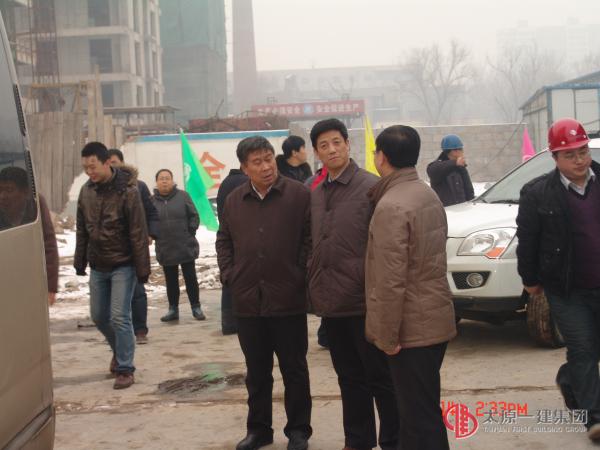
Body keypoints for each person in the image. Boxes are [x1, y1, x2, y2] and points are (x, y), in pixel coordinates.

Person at [216, 136, 312, 450]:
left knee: (294, 369)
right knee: (256, 372)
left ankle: (298, 430)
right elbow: (224, 240)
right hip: (247, 300)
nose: (266, 166)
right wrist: (230, 275)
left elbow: (310, 239)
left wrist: (299, 274)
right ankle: (259, 430)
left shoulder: (298, 195)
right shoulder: (234, 200)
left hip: (288, 298)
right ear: (244, 168)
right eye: (257, 162)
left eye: (268, 158)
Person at [308, 118, 399, 450]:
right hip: (332, 302)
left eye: (337, 142)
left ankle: (393, 440)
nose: (332, 150)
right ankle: (358, 440)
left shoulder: (372, 187)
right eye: (324, 145)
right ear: (317, 152)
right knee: (348, 377)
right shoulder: (315, 193)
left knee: (381, 377)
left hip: (365, 300)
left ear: (348, 144)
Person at [366, 125, 457, 450]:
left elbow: (391, 280)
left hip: (411, 330)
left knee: (419, 419)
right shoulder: (425, 193)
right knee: (421, 411)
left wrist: (388, 337)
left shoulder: (391, 206)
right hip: (433, 318)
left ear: (382, 157)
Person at [516, 118, 600, 441]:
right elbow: (528, 240)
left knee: (590, 350)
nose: (579, 160)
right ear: (555, 157)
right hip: (566, 289)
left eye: (583, 152)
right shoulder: (537, 193)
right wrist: (529, 279)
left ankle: (569, 379)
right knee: (582, 348)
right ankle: (594, 417)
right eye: (570, 155)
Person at [74, 142, 150, 390]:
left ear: (107, 162)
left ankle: (125, 368)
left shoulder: (128, 191)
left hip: (123, 264)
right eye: (85, 168)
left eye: (93, 166)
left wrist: (142, 268)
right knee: (98, 316)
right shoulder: (86, 191)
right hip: (98, 265)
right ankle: (120, 350)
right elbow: (82, 229)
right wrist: (80, 260)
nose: (89, 172)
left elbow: (138, 232)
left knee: (119, 316)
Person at [107, 148, 159, 344]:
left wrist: (150, 233)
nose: (111, 166)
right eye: (107, 163)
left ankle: (140, 330)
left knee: (137, 291)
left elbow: (151, 212)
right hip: (110, 250)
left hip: (134, 247)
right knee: (114, 295)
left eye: (114, 162)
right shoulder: (99, 189)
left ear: (121, 162)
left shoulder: (139, 186)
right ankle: (118, 331)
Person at [151, 169, 206, 322]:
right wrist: (154, 235)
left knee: (190, 278)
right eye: (161, 178)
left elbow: (194, 215)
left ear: (172, 180)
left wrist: (190, 232)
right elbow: (150, 221)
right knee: (171, 281)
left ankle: (196, 307)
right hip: (165, 246)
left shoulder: (183, 196)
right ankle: (173, 309)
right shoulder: (152, 201)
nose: (164, 181)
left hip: (185, 245)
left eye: (167, 178)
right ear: (156, 182)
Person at [0, 166, 58, 306]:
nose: (2, 196)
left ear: (25, 192)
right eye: (0, 190)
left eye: (9, 190)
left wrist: (50, 287)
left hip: (30, 278)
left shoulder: (36, 205)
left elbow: (48, 245)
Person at [216, 166, 248, 335]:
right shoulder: (245, 183)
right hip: (243, 239)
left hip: (228, 237)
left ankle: (228, 323)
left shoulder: (225, 183)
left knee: (229, 281)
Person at [427, 133, 474, 206]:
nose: (462, 152)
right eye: (460, 149)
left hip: (463, 209)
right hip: (447, 211)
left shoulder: (460, 166)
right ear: (454, 151)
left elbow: (469, 190)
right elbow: (432, 170)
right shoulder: (438, 166)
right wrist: (455, 163)